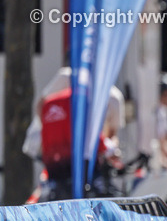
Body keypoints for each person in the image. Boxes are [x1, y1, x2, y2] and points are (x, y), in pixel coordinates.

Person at [24, 65, 125, 194]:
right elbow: (42, 105)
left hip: (73, 156)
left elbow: (110, 136)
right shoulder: (67, 78)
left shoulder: (113, 97)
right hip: (63, 154)